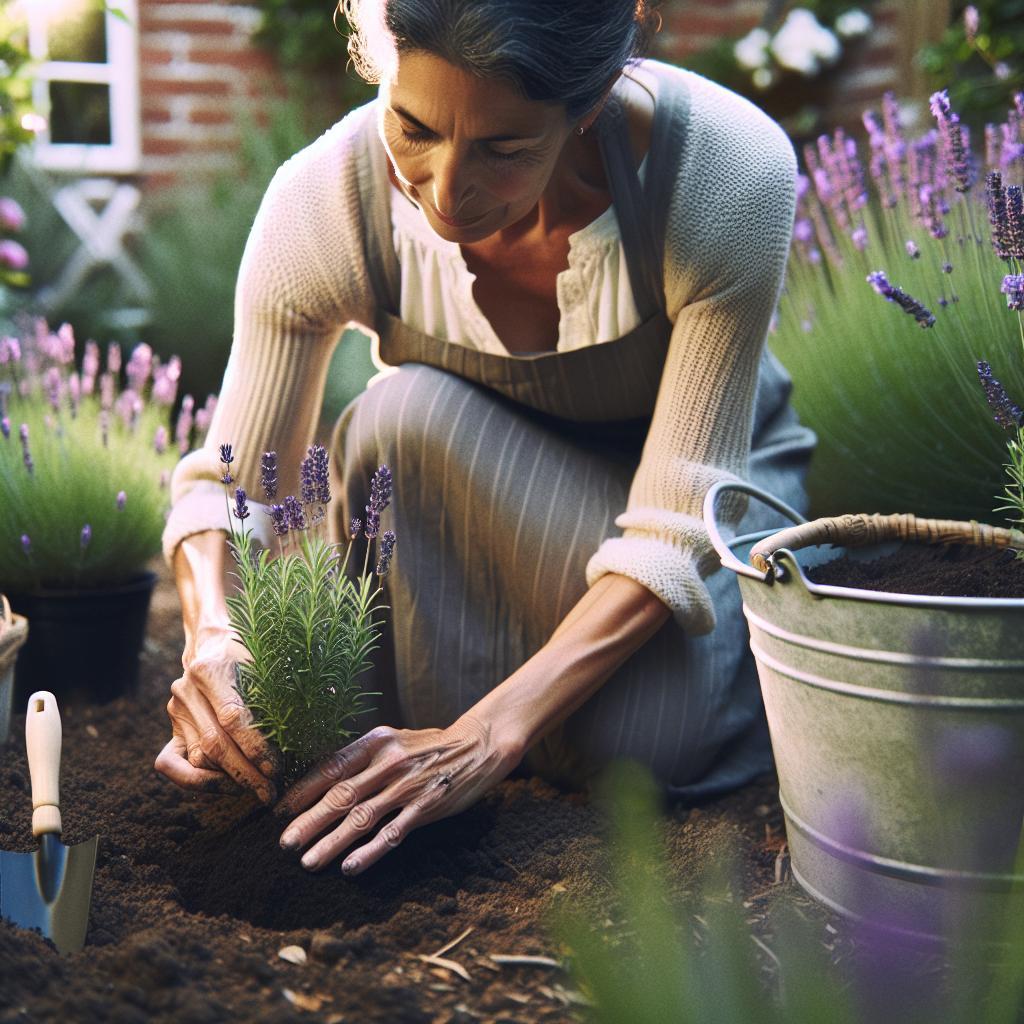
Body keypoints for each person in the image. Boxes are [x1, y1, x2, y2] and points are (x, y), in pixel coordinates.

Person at [155, 0, 815, 877]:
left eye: (504, 150)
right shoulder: (324, 203)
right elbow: (230, 484)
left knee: (649, 753)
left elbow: (676, 525)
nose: (445, 188)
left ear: (590, 106)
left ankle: (501, 704)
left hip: (684, 513)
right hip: (469, 486)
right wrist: (214, 640)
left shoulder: (720, 173)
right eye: (412, 125)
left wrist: (486, 735)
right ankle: (478, 706)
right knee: (398, 418)